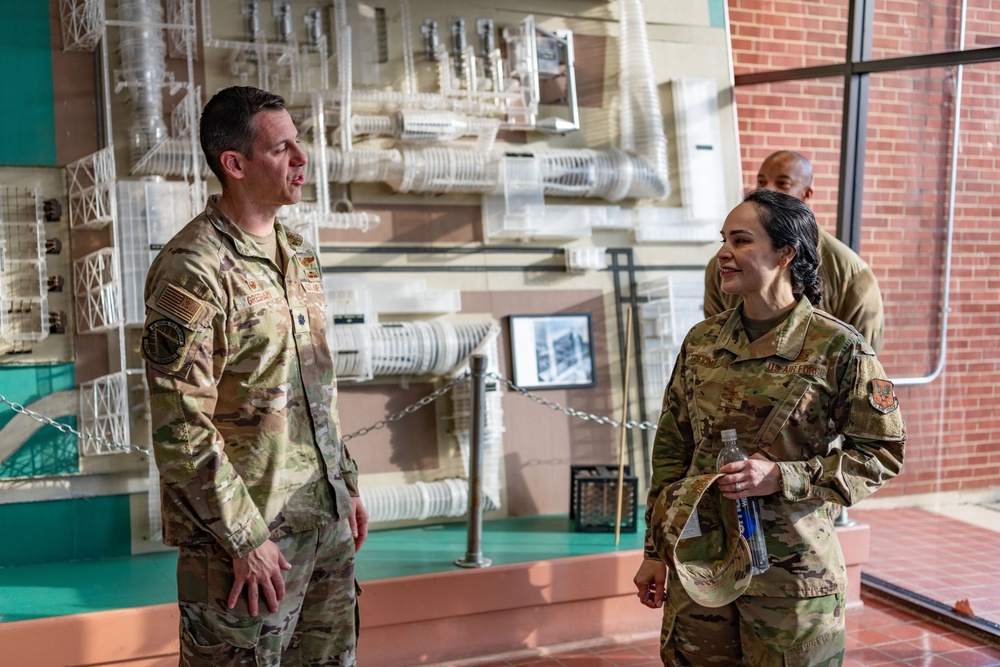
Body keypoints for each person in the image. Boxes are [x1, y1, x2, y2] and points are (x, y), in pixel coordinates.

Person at [140, 86, 367, 667]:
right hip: (248, 543)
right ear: (234, 165)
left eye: (299, 143)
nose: (302, 158)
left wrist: (345, 483)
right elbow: (180, 427)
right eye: (282, 148)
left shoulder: (299, 255)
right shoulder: (193, 270)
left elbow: (314, 388)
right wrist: (245, 538)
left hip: (323, 525)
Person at [634, 188, 905, 665]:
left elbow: (880, 453)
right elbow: (672, 452)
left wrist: (783, 476)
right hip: (701, 566)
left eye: (741, 241)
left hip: (792, 577)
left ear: (786, 252)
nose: (724, 253)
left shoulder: (836, 348)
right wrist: (655, 550)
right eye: (723, 240)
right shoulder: (701, 342)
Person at [703, 150, 885, 353]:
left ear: (806, 194)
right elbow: (713, 347)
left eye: (782, 183)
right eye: (762, 181)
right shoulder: (722, 269)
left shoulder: (850, 274)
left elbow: (863, 357)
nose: (768, 189)